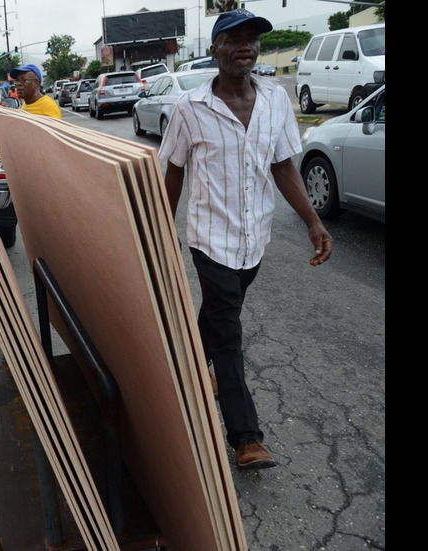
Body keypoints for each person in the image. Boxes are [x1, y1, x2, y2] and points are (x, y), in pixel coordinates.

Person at [158, 8, 333, 470]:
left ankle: (193, 363)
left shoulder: (276, 99)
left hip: (255, 237)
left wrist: (313, 221)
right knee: (229, 331)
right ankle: (245, 437)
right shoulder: (189, 108)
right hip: (209, 239)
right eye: (233, 38)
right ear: (214, 49)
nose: (245, 47)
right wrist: (156, 231)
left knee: (220, 316)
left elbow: (282, 166)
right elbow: (173, 174)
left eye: (252, 39)